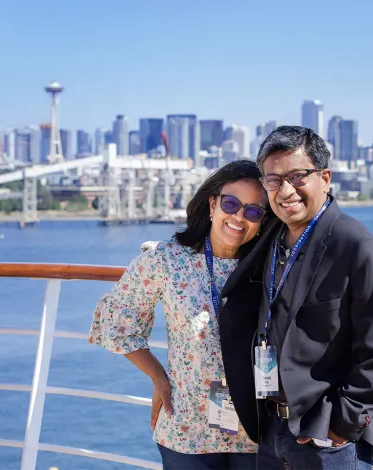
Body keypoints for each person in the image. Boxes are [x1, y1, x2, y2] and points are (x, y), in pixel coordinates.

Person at [219, 126, 373, 469]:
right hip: (272, 425)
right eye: (274, 180)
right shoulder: (272, 239)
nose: (286, 190)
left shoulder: (357, 247)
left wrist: (342, 423)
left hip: (327, 436)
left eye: (298, 176)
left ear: (325, 177)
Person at [87, 160, 276, 470]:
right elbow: (117, 320)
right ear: (213, 204)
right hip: (188, 429)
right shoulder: (169, 259)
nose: (239, 217)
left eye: (253, 211)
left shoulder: (271, 265)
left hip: (256, 430)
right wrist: (158, 376)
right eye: (231, 203)